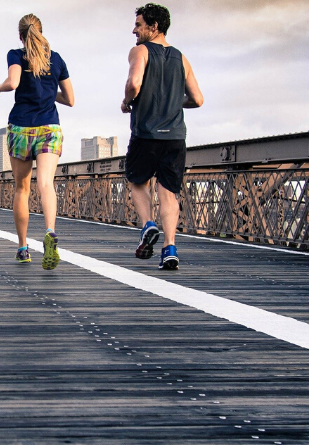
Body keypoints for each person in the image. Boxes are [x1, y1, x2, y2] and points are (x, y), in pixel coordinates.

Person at [0, 13, 74, 269]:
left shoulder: (16, 54)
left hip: (22, 128)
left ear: (20, 35)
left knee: (22, 189)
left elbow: (13, 82)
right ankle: (49, 231)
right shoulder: (56, 59)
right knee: (46, 184)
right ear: (40, 31)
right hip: (49, 127)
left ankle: (23, 248)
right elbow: (70, 99)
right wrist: (48, 92)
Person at [121, 3, 203, 270]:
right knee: (169, 194)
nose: (134, 30)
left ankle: (148, 225)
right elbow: (198, 99)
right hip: (175, 136)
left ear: (153, 27)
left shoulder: (140, 51)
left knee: (137, 181)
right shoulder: (182, 58)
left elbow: (134, 84)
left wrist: (127, 101)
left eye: (138, 25)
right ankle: (169, 249)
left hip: (146, 132)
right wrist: (173, 103)